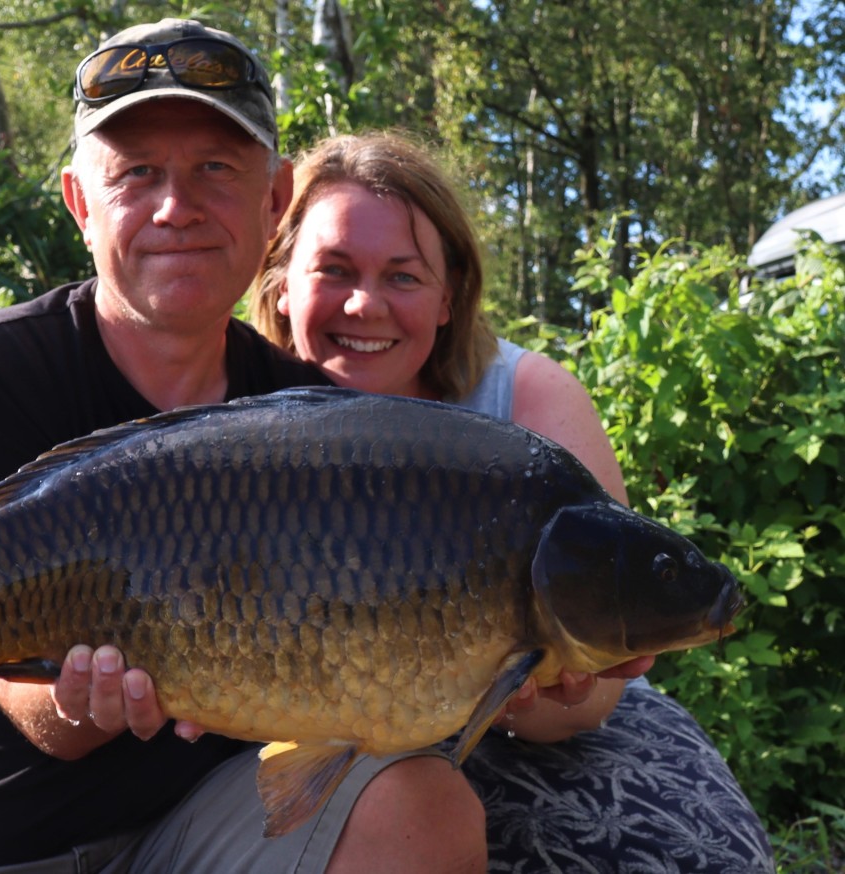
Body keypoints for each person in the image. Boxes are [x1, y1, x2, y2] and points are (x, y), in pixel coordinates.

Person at [0, 18, 489, 873]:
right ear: (80, 203)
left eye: (214, 170)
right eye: (136, 174)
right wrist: (88, 700)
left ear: (273, 201)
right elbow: (31, 715)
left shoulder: (318, 428)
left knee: (424, 808)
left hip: (190, 836)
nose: (175, 208)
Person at [242, 130, 775, 871]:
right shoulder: (233, 421)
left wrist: (519, 692)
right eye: (334, 270)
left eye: (403, 276)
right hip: (331, 724)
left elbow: (590, 695)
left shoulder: (524, 395)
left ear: (447, 295)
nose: (365, 305)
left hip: (537, 722)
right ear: (280, 282)